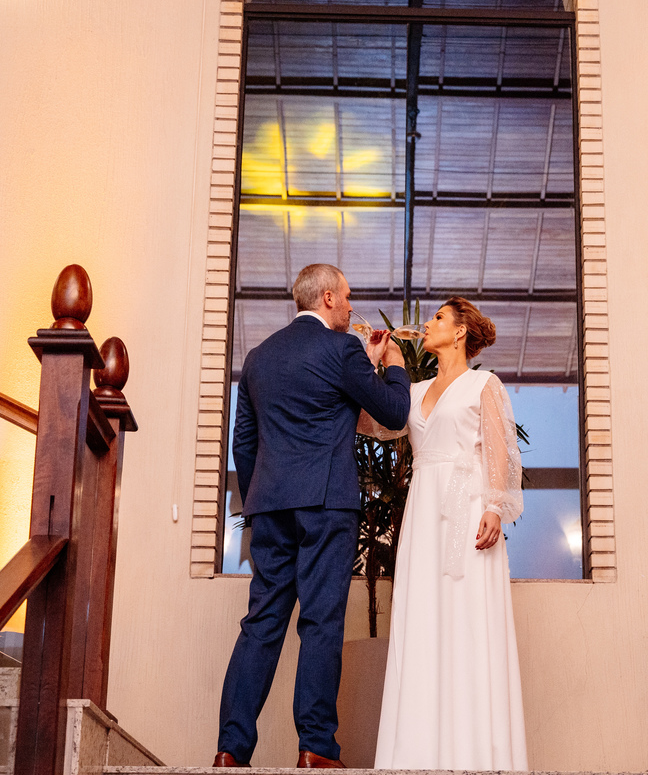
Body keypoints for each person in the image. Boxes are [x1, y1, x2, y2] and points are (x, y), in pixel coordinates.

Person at [214, 263, 409, 769]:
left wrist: (268, 493)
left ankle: (231, 749)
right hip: (326, 505)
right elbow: (391, 411)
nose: (350, 306)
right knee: (321, 622)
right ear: (326, 298)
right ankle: (316, 748)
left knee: (261, 624)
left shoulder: (258, 358)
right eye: (346, 297)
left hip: (271, 505)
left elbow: (244, 444)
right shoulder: (342, 349)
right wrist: (390, 362)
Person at [370, 296, 528, 770]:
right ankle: (418, 754)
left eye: (439, 317)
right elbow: (372, 424)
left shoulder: (484, 384)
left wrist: (496, 508)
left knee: (467, 618)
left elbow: (500, 449)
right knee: (423, 619)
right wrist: (379, 360)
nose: (428, 323)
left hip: (469, 506)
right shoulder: (414, 392)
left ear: (459, 332)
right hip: (422, 513)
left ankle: (476, 753)